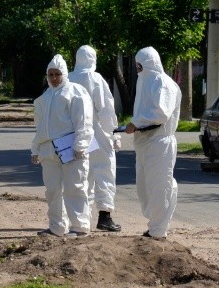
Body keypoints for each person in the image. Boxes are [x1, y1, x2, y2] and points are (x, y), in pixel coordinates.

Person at [31, 54, 95, 237]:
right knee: (52, 190)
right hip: (49, 151)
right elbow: (40, 127)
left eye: (57, 74)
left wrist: (81, 145)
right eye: (50, 74)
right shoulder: (45, 97)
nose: (54, 78)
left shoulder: (75, 92)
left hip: (71, 150)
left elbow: (84, 121)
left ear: (64, 74)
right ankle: (57, 227)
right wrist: (35, 148)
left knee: (75, 187)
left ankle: (80, 227)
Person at [124, 46, 181, 239]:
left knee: (159, 187)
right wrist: (135, 124)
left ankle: (158, 231)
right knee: (145, 188)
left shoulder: (163, 83)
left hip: (159, 143)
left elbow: (161, 113)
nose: (138, 69)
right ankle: (155, 224)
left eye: (140, 65)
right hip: (144, 142)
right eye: (137, 65)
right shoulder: (145, 81)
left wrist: (136, 123)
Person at [68, 45, 122, 232]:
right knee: (104, 172)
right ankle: (104, 216)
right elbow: (106, 110)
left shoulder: (68, 79)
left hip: (76, 133)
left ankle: (81, 218)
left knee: (82, 174)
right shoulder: (95, 79)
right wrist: (113, 134)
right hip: (97, 132)